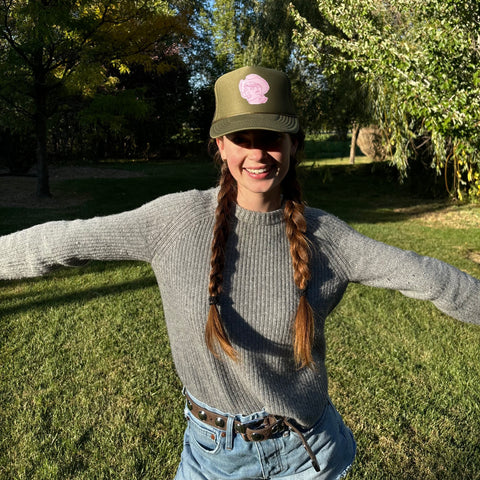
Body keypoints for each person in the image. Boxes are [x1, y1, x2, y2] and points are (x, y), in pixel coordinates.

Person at [0, 65, 479, 480]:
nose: (257, 154)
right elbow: (64, 241)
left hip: (306, 453)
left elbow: (429, 277)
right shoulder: (173, 221)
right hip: (211, 456)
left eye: (270, 138)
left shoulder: (328, 240)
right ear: (221, 147)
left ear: (293, 145)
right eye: (241, 139)